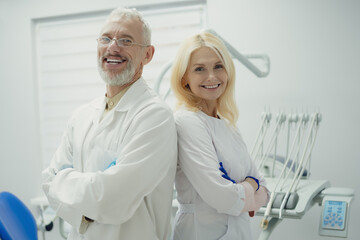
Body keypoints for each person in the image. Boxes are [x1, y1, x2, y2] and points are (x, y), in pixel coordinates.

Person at [42, 7, 177, 240]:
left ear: (148, 54)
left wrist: (65, 183)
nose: (113, 47)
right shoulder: (81, 115)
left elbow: (113, 198)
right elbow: (47, 180)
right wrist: (88, 211)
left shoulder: (155, 116)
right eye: (106, 38)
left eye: (126, 40)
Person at [170, 31, 269, 240]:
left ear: (228, 71)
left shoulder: (228, 124)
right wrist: (250, 185)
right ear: (184, 78)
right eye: (199, 69)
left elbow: (265, 192)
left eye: (218, 66)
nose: (212, 76)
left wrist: (240, 191)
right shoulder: (187, 121)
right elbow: (224, 198)